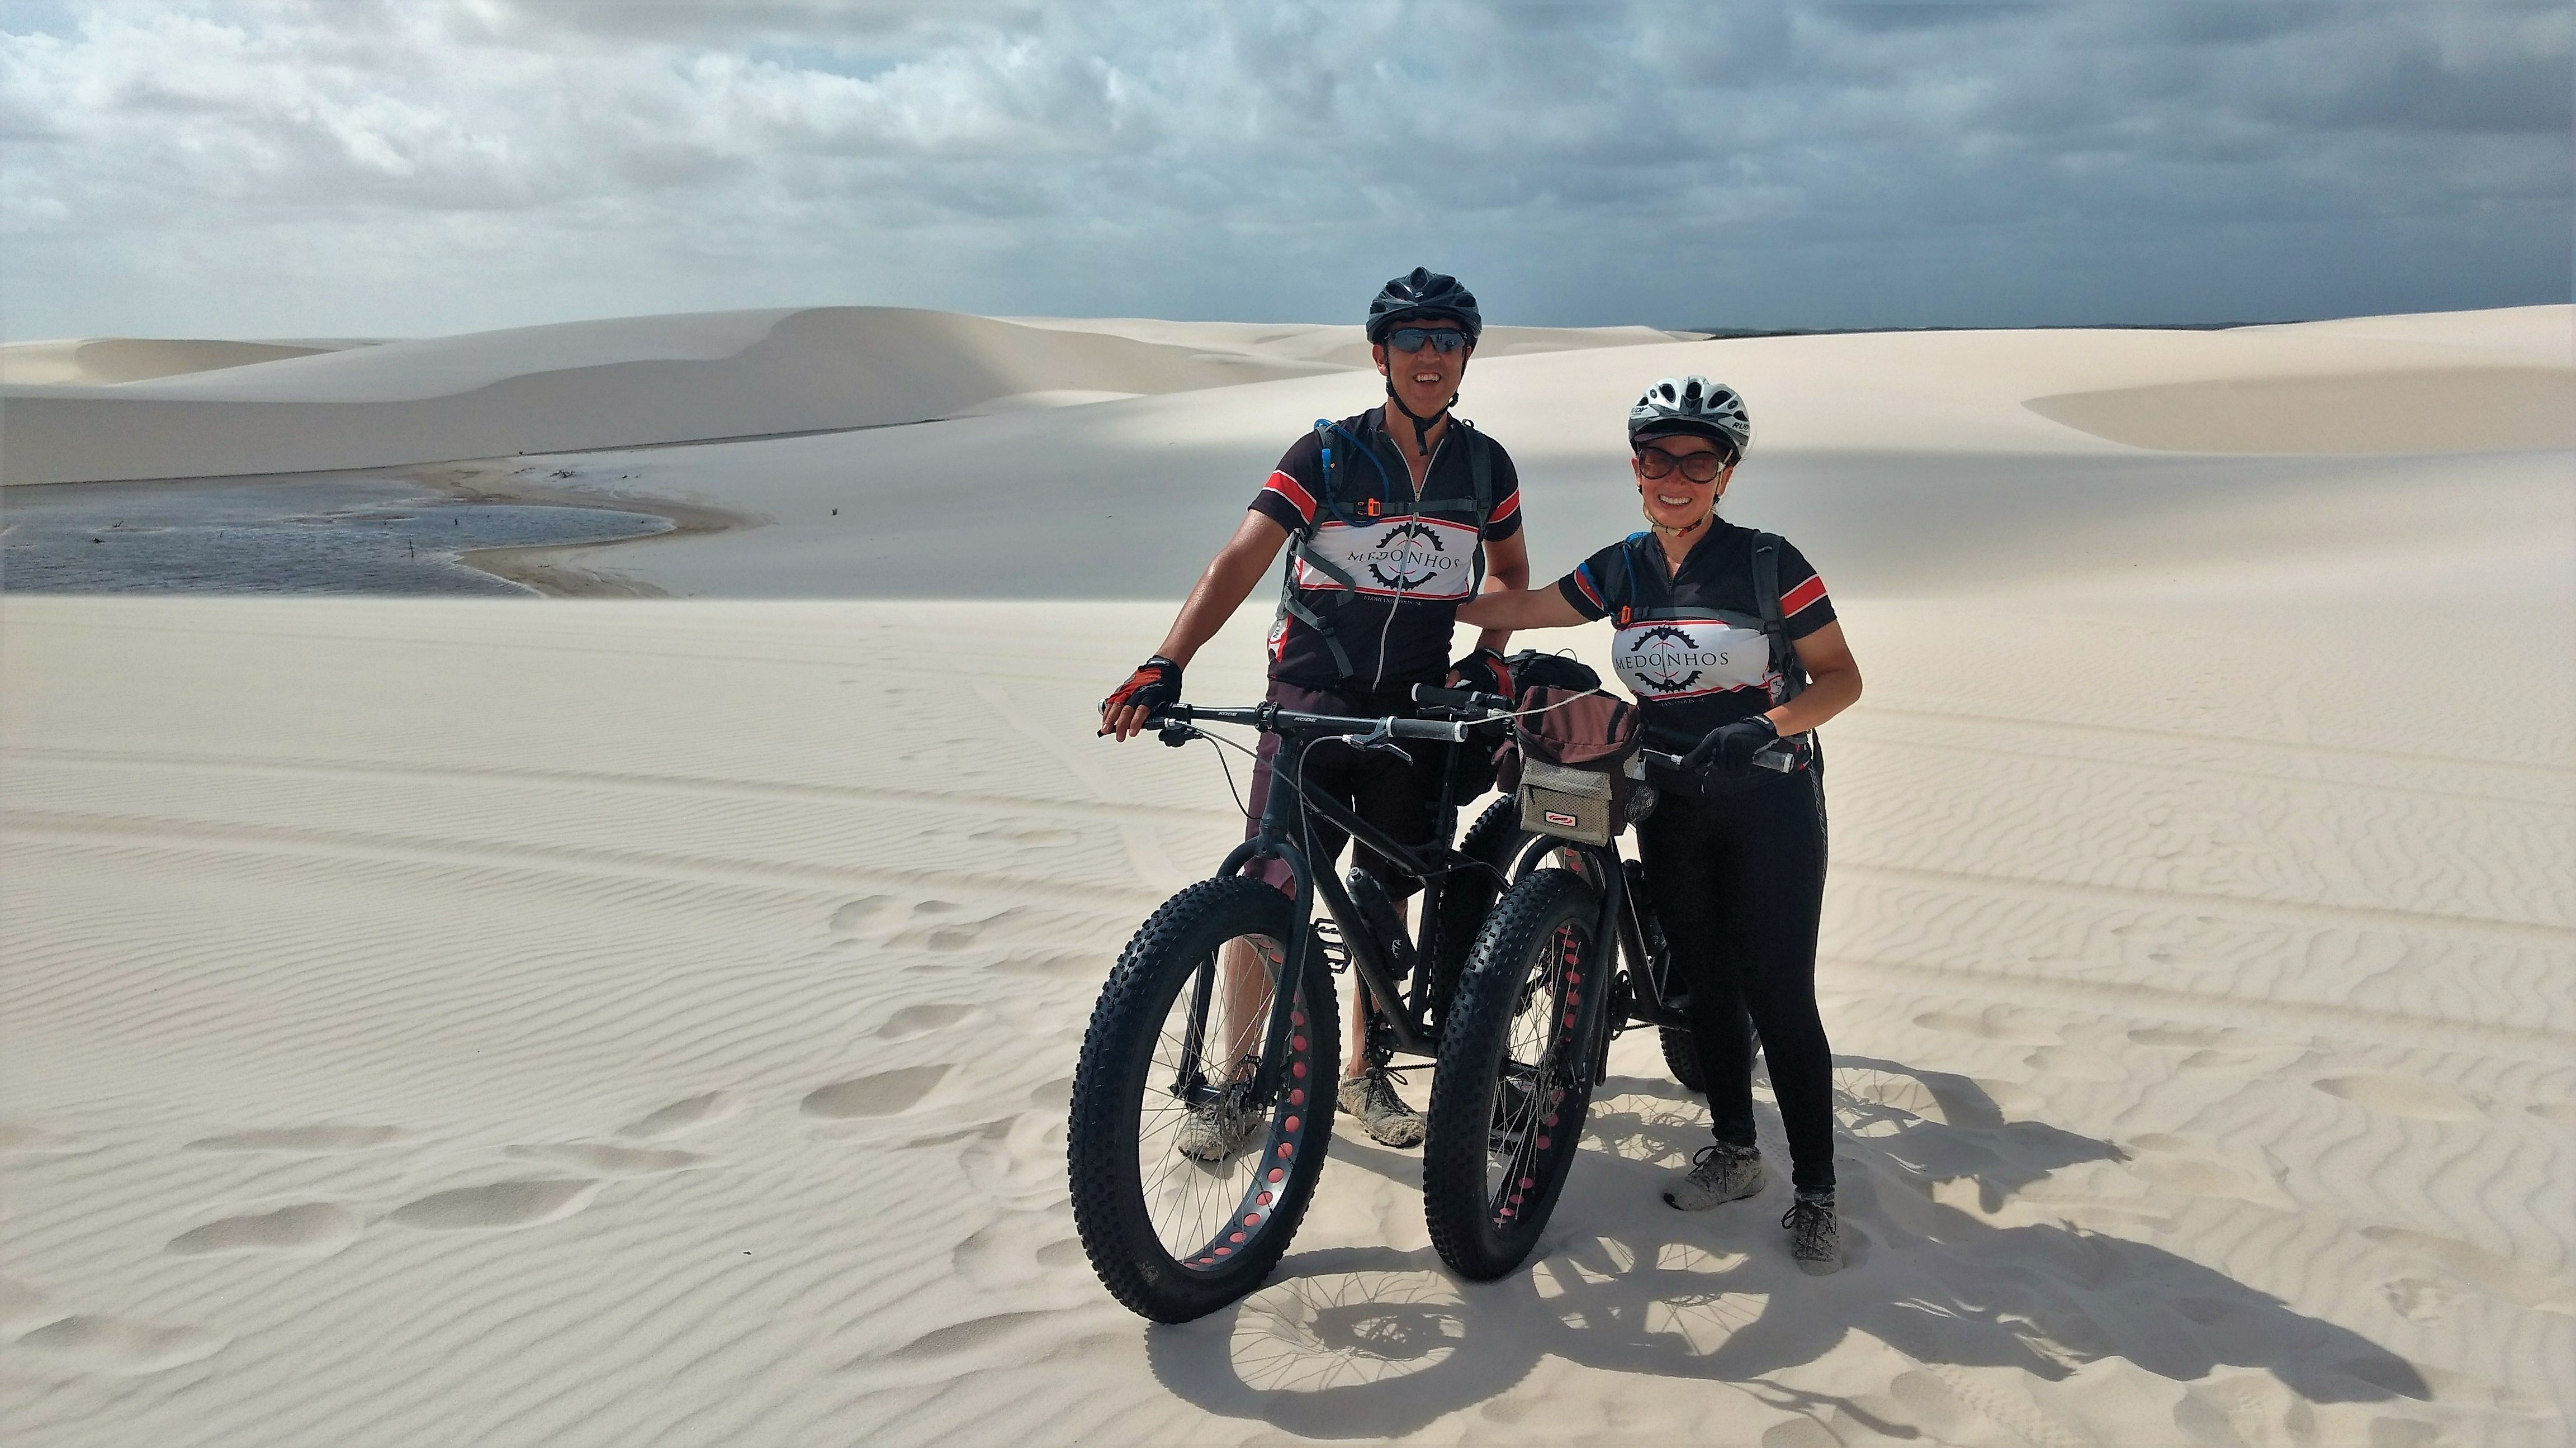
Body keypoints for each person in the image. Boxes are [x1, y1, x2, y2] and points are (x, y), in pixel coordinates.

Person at [1100, 268, 1531, 1154]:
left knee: (1388, 892)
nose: (1430, 357)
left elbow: (1512, 574)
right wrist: (1165, 659)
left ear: (1466, 359)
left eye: (1448, 341)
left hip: (1415, 712)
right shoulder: (1327, 454)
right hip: (1309, 705)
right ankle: (1233, 1083)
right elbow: (1240, 557)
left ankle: (1365, 1075)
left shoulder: (1485, 467)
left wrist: (1488, 662)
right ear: (1381, 354)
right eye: (1413, 340)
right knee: (1268, 893)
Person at [1453, 375, 1861, 1274]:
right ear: (1636, 470)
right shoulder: (1625, 566)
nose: (1675, 475)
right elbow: (1526, 606)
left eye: (1698, 459)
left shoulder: (1769, 563)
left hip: (1768, 801)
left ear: (1726, 473)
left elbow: (1840, 679)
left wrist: (1764, 725)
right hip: (1668, 801)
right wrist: (1422, 602)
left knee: (1779, 994)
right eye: (1657, 458)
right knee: (1705, 986)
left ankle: (1818, 1195)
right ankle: (1737, 1154)